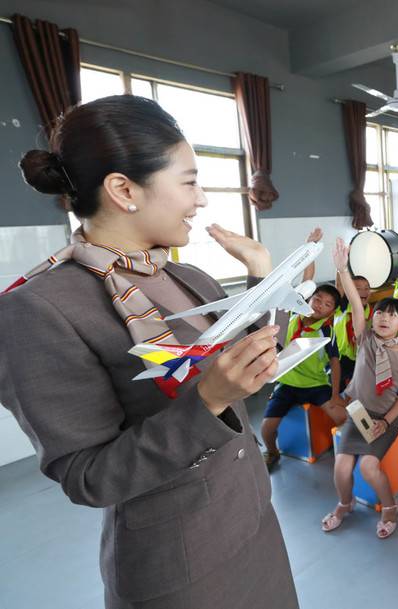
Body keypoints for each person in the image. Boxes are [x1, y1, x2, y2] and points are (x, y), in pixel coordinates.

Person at [0, 96, 298, 608]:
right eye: (189, 181)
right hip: (178, 564)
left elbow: (259, 371)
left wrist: (263, 277)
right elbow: (88, 475)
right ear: (123, 189)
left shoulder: (186, 277)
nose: (201, 199)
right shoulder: (41, 308)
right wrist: (205, 400)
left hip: (254, 522)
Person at [324, 239, 398, 539]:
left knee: (368, 467)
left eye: (391, 315)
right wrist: (342, 269)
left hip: (383, 419)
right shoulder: (364, 338)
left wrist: (386, 422)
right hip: (358, 414)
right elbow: (354, 301)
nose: (383, 317)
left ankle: (390, 506)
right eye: (379, 313)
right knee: (340, 469)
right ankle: (344, 503)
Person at [261, 279, 342, 471]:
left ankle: (347, 453)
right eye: (317, 299)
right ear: (309, 299)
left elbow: (335, 362)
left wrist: (336, 393)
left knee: (344, 418)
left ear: (332, 313)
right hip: (286, 384)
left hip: (316, 385)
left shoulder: (326, 331)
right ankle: (272, 451)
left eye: (327, 304)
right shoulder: (290, 317)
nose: (320, 305)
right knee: (266, 428)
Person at [333, 273, 372, 389]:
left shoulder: (371, 311)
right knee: (333, 388)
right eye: (358, 289)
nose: (363, 291)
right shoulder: (343, 306)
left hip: (360, 358)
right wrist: (340, 265)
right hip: (339, 358)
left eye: (367, 288)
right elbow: (339, 284)